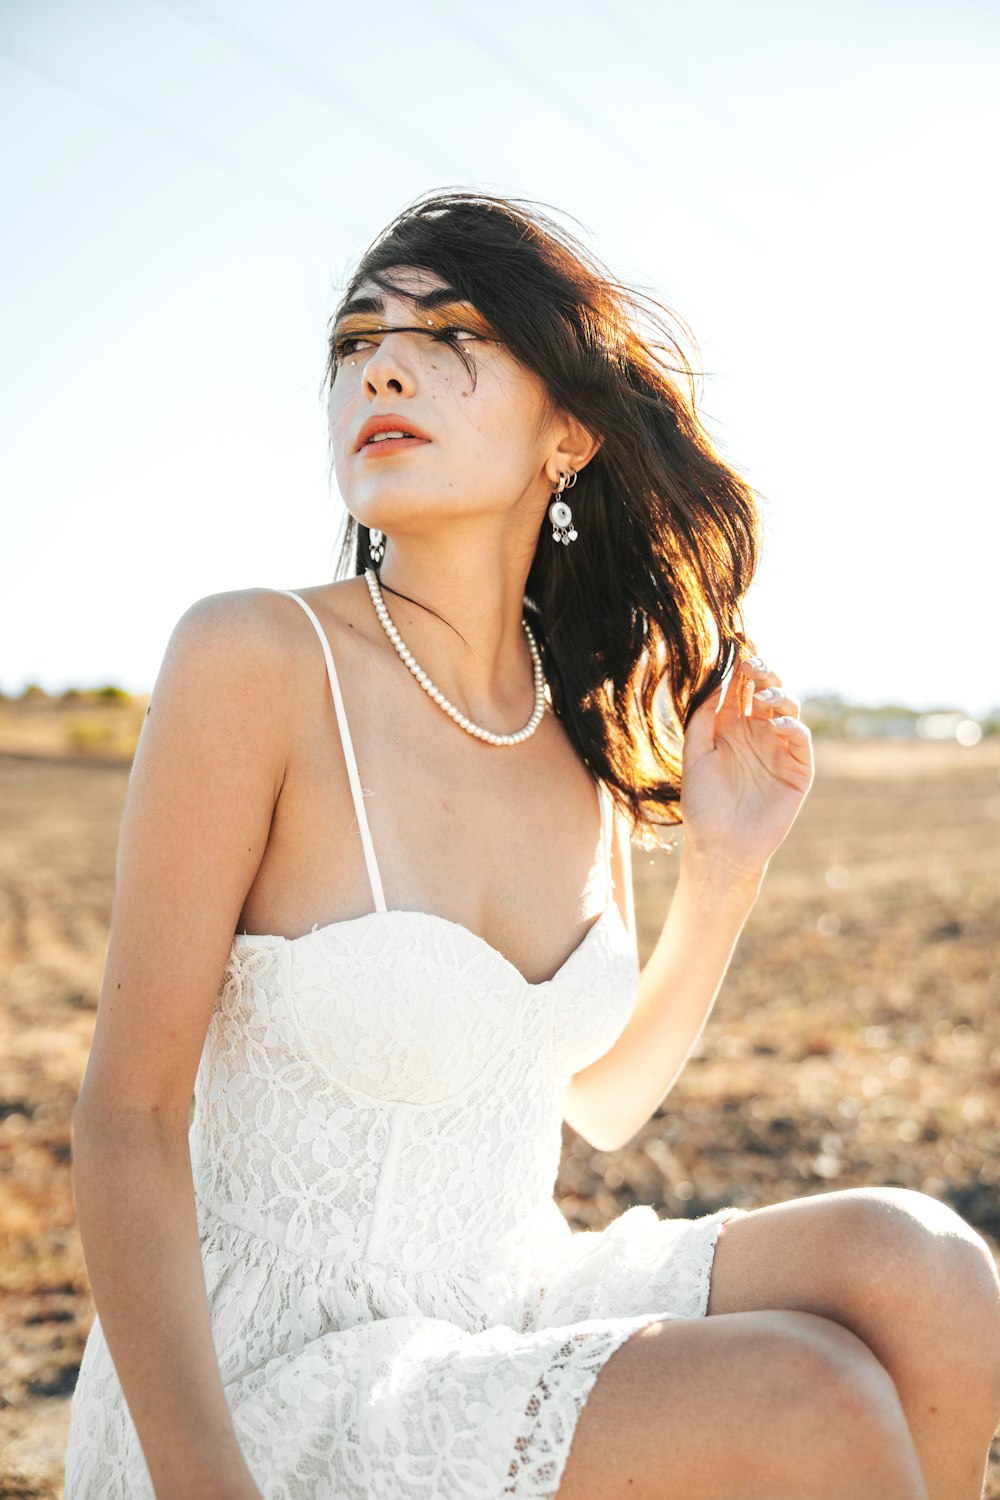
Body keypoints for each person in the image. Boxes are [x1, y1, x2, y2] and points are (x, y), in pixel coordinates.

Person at [65, 189, 999, 1500]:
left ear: (568, 429)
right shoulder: (257, 658)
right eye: (353, 341)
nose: (380, 363)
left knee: (933, 1272)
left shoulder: (575, 730)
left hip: (506, 1292)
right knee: (812, 1398)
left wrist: (726, 872)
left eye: (450, 335)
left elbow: (592, 1102)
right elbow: (126, 1116)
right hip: (274, 1373)